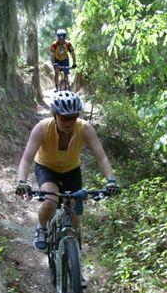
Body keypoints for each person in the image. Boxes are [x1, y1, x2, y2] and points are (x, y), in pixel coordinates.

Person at [16, 91, 117, 252]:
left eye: (73, 117)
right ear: (55, 115)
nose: (69, 123)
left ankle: (74, 259)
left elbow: (102, 158)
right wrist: (22, 181)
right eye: (64, 118)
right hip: (46, 168)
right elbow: (27, 159)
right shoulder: (41, 129)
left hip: (71, 170)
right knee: (50, 202)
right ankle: (41, 229)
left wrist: (110, 180)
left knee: (75, 213)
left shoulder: (85, 129)